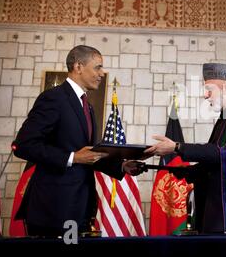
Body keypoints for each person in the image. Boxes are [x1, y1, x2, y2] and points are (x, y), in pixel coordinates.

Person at [13, 45, 141, 237]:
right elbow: (23, 145)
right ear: (78, 67)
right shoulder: (53, 98)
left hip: (79, 208)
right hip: (53, 210)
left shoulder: (87, 105)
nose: (102, 73)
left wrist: (122, 166)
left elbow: (89, 155)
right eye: (98, 67)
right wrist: (72, 157)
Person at [145, 63, 226, 234]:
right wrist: (187, 171)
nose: (205, 95)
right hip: (214, 209)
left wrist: (177, 147)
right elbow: (215, 161)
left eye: (209, 89)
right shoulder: (223, 121)